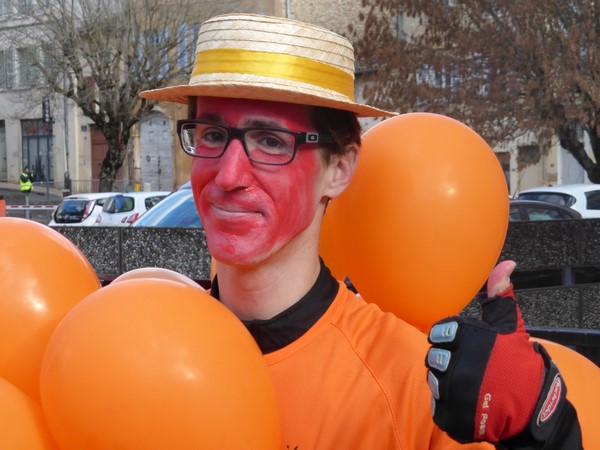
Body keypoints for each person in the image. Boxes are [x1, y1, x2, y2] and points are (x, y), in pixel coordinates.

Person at [140, 14, 582, 449]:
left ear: (339, 168)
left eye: (271, 141)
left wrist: (543, 433)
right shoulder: (143, 355)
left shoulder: (418, 388)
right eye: (212, 135)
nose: (228, 174)